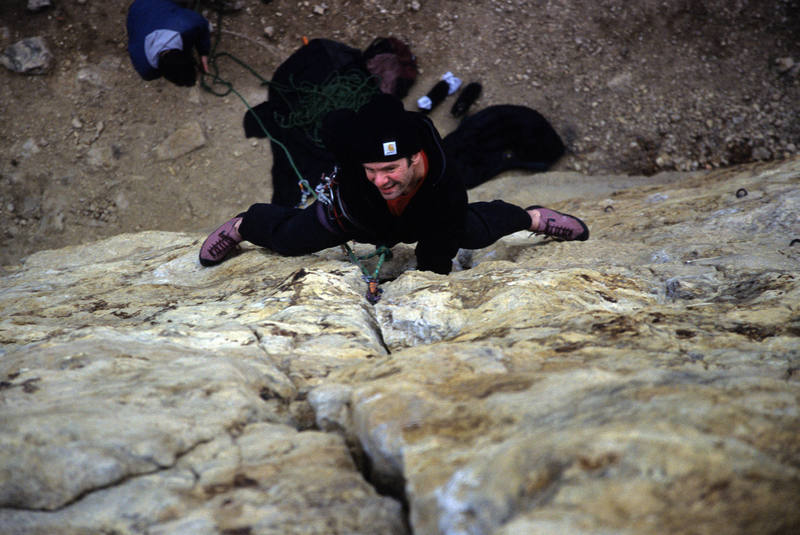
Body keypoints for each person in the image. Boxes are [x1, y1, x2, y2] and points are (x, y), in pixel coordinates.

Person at [199, 94, 589, 275]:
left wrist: (428, 277)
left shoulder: (444, 179)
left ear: (414, 158)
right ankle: (242, 226)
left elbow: (439, 248)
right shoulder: (355, 161)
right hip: (355, 216)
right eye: (371, 170)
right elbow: (334, 127)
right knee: (289, 239)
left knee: (475, 230)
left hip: (426, 218)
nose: (379, 179)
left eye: (389, 170)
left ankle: (533, 218)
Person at [126, 0, 211, 87]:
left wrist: (203, 52)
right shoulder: (144, 69)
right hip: (138, 8)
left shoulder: (186, 24)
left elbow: (202, 23)